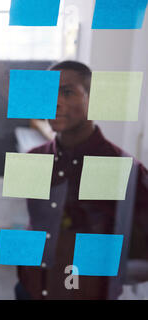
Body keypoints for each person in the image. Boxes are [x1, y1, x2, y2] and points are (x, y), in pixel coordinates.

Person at [16, 60, 148, 300]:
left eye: (67, 92)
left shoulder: (125, 169)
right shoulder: (34, 159)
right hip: (31, 290)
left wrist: (100, 277)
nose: (54, 102)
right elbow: (36, 223)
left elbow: (142, 256)